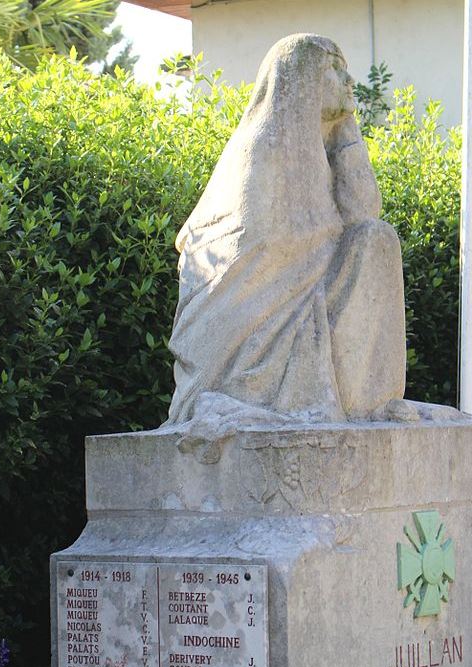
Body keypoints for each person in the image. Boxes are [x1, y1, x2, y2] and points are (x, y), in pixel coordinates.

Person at [166, 33, 407, 427]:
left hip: (305, 301)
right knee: (372, 240)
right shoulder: (264, 147)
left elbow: (363, 214)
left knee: (377, 240)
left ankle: (368, 401)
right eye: (334, 67)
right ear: (303, 78)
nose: (350, 80)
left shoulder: (324, 148)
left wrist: (347, 134)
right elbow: (259, 254)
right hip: (259, 326)